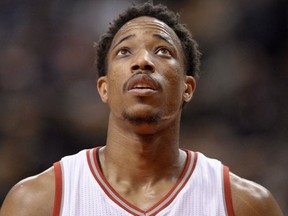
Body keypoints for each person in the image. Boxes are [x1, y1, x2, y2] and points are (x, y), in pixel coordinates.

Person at [0, 2, 283, 216]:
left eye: (163, 51)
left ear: (188, 88)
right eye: (125, 51)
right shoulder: (37, 201)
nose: (143, 61)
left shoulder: (244, 204)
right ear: (104, 88)